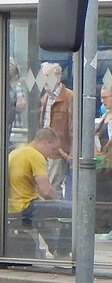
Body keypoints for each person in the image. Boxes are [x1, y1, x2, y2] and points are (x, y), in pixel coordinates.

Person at [7, 128, 71, 256]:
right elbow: (46, 191)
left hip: (11, 206)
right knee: (74, 209)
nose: (51, 155)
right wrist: (59, 201)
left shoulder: (16, 151)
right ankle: (63, 251)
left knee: (43, 211)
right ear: (45, 142)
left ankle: (55, 249)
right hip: (25, 206)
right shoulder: (35, 156)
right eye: (52, 149)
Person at [37, 62, 73, 193]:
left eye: (47, 76)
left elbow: (73, 127)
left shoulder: (69, 97)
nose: (44, 80)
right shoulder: (45, 97)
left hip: (59, 152)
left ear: (57, 78)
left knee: (52, 188)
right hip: (43, 151)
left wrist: (71, 153)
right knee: (44, 187)